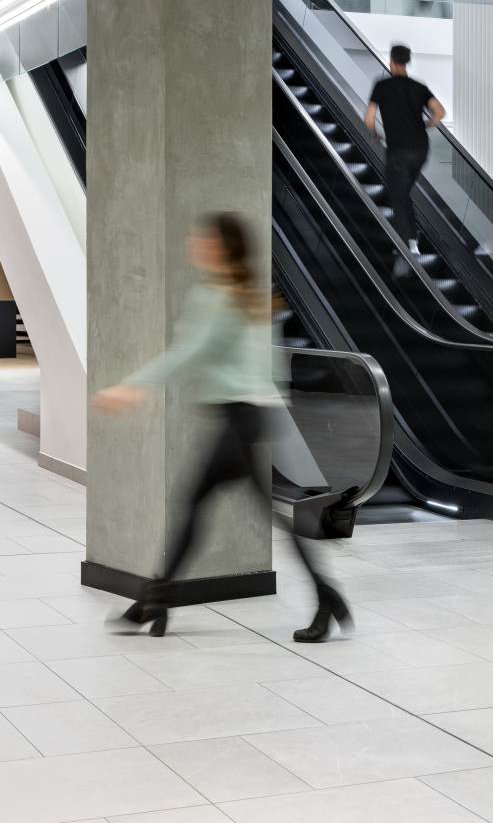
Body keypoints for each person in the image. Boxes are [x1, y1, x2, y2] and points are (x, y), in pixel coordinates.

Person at [93, 212, 350, 644]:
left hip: (239, 416)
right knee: (206, 504)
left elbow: (187, 353)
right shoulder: (251, 294)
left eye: (203, 240)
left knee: (202, 505)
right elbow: (262, 363)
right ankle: (157, 601)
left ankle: (156, 601)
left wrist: (131, 387)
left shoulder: (220, 297)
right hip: (249, 414)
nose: (195, 245)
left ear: (222, 247)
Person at [364, 44, 446, 258]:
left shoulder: (382, 86)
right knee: (403, 192)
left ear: (391, 61)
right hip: (420, 150)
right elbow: (440, 112)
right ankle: (413, 242)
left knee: (397, 195)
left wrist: (375, 133)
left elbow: (369, 117)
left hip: (398, 151)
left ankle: (405, 246)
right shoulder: (419, 87)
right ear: (407, 61)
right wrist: (427, 124)